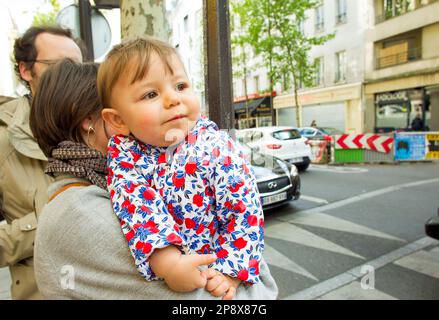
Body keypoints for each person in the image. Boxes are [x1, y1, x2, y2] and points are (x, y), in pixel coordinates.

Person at [29, 58, 277, 299]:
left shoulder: (111, 184)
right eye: (147, 97)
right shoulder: (81, 211)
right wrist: (242, 269)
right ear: (92, 121)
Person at [98, 37, 267, 300]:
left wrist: (230, 270)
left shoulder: (214, 144)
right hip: (171, 276)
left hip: (220, 262)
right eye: (151, 94)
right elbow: (138, 209)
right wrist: (168, 263)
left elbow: (244, 208)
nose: (172, 99)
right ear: (118, 120)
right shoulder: (125, 156)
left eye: (180, 85)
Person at [0, 26, 83, 300]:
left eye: (77, 66)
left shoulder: (101, 124)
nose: (71, 76)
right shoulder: (4, 137)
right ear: (26, 71)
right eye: (59, 65)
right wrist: (50, 220)